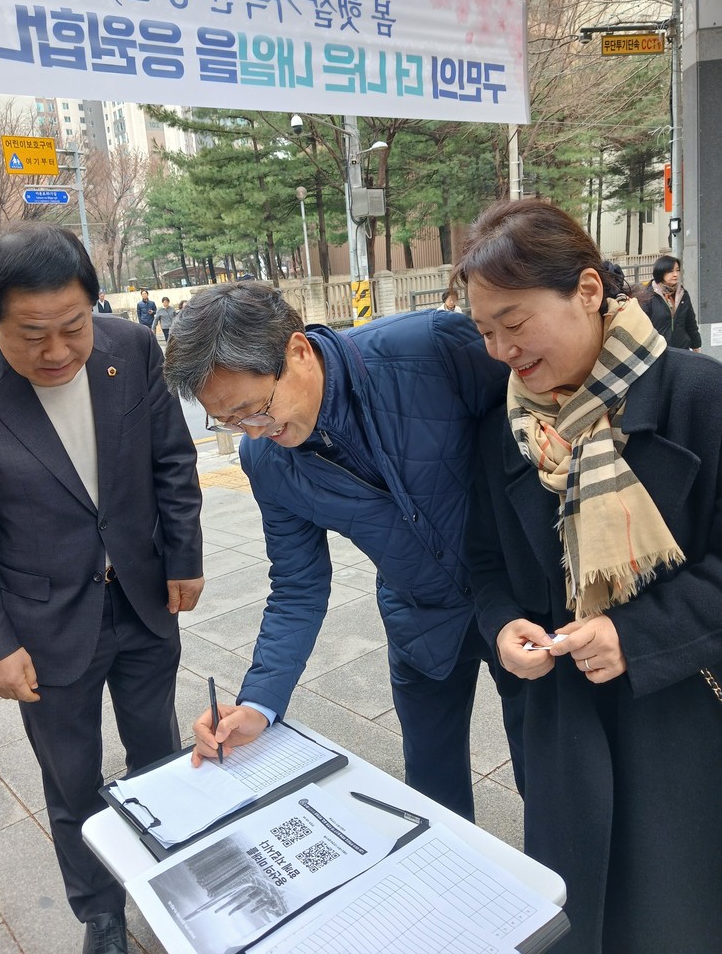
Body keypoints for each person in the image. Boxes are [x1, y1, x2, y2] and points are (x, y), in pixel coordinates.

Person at [455, 198, 722, 954]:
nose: (501, 349)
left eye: (514, 322)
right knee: (577, 916)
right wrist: (501, 626)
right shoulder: (505, 429)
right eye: (484, 332)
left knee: (675, 914)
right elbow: (484, 562)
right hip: (563, 729)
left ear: (588, 289)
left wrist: (634, 635)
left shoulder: (699, 397)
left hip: (683, 720)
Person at [163, 281, 525, 822]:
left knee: (545, 773)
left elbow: (536, 420)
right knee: (431, 789)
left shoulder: (430, 347)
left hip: (520, 601)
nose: (253, 433)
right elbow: (298, 585)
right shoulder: (267, 462)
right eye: (230, 422)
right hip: (419, 617)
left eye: (253, 410)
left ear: (297, 351)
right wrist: (258, 703)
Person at [0, 225, 205, 954]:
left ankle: (166, 884)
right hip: (44, 623)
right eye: (33, 335)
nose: (58, 351)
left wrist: (183, 556)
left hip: (144, 599)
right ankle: (101, 912)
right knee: (73, 778)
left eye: (73, 326)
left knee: (159, 753)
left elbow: (172, 461)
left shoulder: (132, 348)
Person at [640, 254, 701, 351]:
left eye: (677, 270)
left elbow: (690, 323)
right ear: (661, 272)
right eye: (671, 271)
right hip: (657, 351)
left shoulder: (683, 294)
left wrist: (696, 345)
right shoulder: (648, 295)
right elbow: (642, 326)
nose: (675, 274)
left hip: (681, 349)